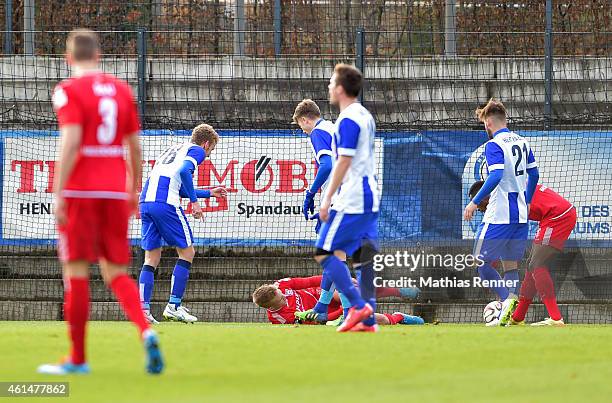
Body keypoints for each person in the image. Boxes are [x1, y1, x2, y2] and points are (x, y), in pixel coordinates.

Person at [39, 29, 163, 375]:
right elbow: (134, 147)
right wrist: (133, 190)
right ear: (98, 56)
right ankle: (147, 331)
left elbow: (72, 140)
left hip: (80, 191)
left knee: (76, 272)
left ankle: (78, 359)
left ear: (68, 58)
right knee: (116, 272)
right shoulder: (122, 91)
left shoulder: (67, 91)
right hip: (114, 192)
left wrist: (59, 191)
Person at [314, 64, 382, 332]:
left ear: (340, 89)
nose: (329, 87)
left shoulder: (349, 119)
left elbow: (344, 160)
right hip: (369, 195)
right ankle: (367, 318)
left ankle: (358, 306)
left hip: (353, 196)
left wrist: (327, 197)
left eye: (332, 83)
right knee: (363, 258)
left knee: (325, 252)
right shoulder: (364, 115)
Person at [137, 124, 226, 324]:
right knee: (187, 253)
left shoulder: (175, 149)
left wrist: (208, 193)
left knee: (151, 258)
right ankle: (174, 306)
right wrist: (195, 203)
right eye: (210, 151)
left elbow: (177, 184)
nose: (209, 155)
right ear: (206, 144)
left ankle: (142, 310)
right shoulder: (196, 150)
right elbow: (185, 172)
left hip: (146, 203)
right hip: (165, 203)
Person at [463, 99, 539, 326]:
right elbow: (534, 176)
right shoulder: (523, 142)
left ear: (488, 123)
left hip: (499, 216)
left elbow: (495, 176)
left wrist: (474, 202)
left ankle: (508, 301)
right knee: (511, 266)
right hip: (520, 217)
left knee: (480, 263)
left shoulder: (494, 144)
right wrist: (526, 200)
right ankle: (510, 316)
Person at [469, 181, 576, 326]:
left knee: (536, 265)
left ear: (485, 198)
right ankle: (518, 317)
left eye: (480, 207)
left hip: (557, 216)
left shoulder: (503, 197)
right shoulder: (508, 188)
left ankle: (556, 318)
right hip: (551, 217)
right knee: (531, 267)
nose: (481, 211)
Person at [252, 276, 424, 326]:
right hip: (327, 317)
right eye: (281, 300)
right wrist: (343, 310)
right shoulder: (280, 318)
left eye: (282, 294)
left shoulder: (281, 285)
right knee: (374, 319)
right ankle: (398, 318)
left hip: (324, 295)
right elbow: (321, 318)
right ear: (271, 306)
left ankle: (397, 291)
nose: (284, 297)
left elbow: (310, 281)